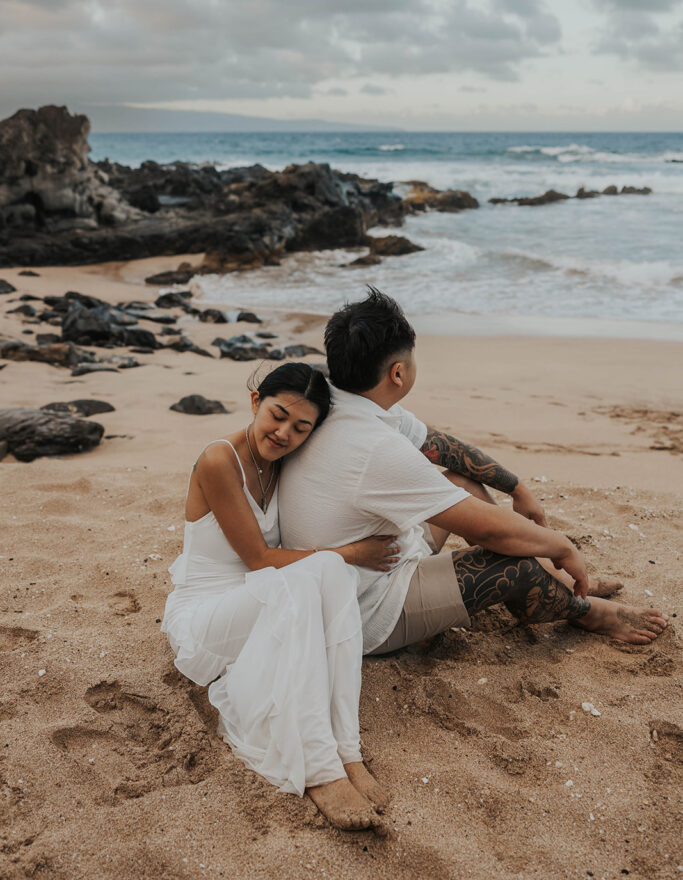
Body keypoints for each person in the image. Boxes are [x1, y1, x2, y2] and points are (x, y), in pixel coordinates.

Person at [279, 289, 669, 665]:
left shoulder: (334, 404)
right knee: (510, 564)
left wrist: (517, 488)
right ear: (398, 372)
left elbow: (441, 446)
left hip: (370, 563)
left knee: (463, 482)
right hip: (364, 612)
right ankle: (589, 613)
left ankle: (556, 581)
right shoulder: (374, 448)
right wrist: (562, 546)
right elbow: (490, 532)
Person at [161, 363, 396, 832]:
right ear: (255, 402)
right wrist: (353, 551)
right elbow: (259, 558)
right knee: (317, 569)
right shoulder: (218, 461)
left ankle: (345, 748)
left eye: (300, 427)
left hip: (256, 600)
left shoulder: (282, 462)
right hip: (206, 620)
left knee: (327, 569)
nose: (284, 432)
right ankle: (319, 768)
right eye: (277, 415)